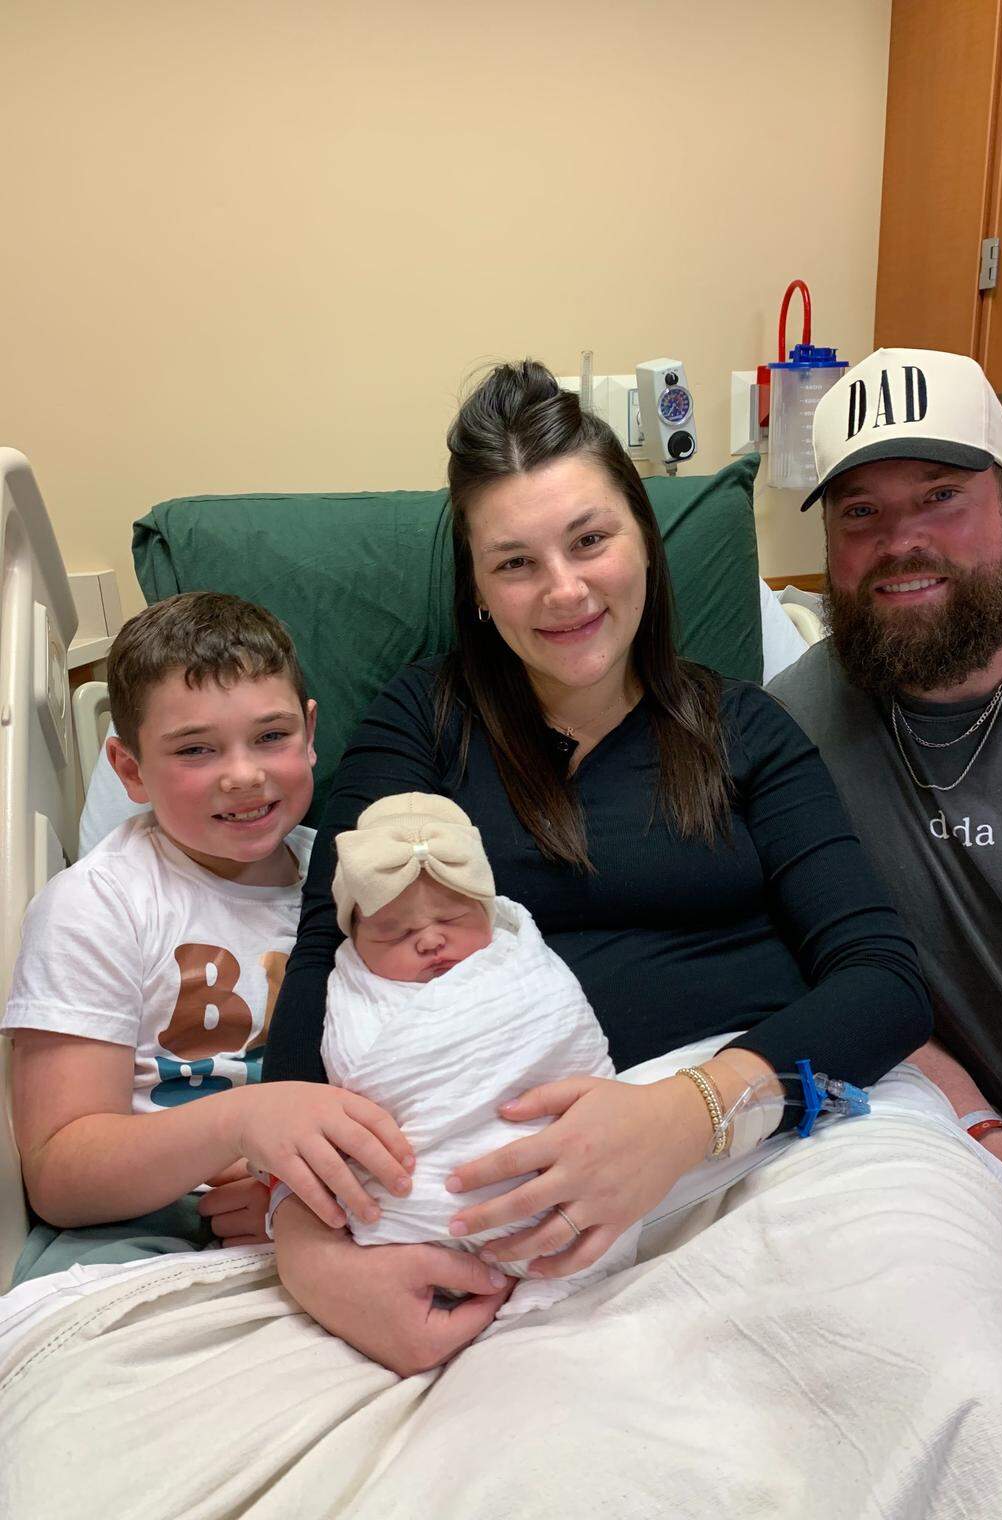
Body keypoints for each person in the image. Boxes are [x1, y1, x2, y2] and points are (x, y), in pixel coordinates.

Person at [261, 359, 933, 1375]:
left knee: (911, 1358)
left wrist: (688, 1116)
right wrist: (307, 1240)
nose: (565, 590)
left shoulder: (742, 730)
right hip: (504, 1201)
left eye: (590, 539)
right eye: (516, 562)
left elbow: (884, 980)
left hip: (768, 1140)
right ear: (478, 591)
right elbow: (327, 947)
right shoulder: (426, 726)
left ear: (645, 544)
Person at [767, 345, 1002, 1393]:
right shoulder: (784, 739)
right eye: (862, 515)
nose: (903, 544)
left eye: (941, 497)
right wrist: (982, 1128)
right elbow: (837, 980)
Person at [2, 592, 412, 1282]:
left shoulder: (353, 883)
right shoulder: (98, 907)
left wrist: (298, 1197)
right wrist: (242, 1125)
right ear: (129, 769)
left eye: (271, 736)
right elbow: (61, 1174)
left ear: (311, 734)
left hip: (343, 1203)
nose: (243, 774)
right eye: (195, 749)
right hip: (154, 1228)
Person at [315, 790, 639, 1324]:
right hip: (424, 1203)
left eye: (455, 917)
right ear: (356, 940)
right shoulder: (357, 993)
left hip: (560, 1172)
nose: (430, 941)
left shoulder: (520, 965)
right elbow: (353, 1088)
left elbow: (565, 1036)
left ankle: (553, 1291)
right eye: (396, 931)